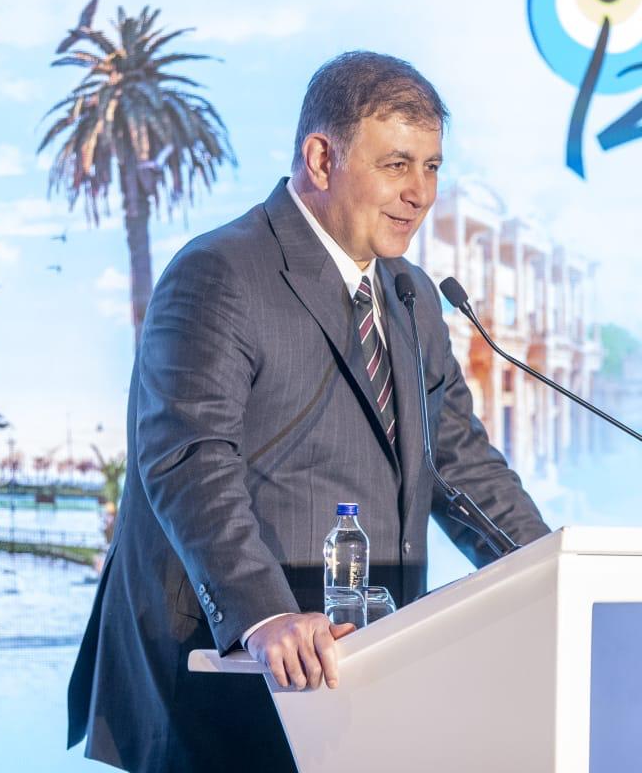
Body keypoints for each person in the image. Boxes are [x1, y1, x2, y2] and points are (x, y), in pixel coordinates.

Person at [66, 51, 551, 772]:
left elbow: (460, 466)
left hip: (364, 680)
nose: (420, 193)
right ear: (322, 159)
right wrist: (264, 614)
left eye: (431, 167)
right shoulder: (220, 271)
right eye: (396, 165)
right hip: (225, 686)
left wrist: (549, 574)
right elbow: (190, 459)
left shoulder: (413, 296)